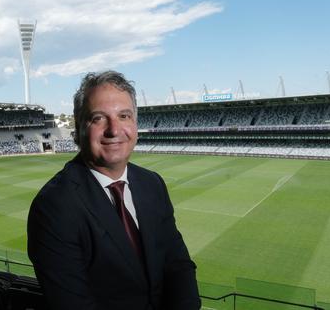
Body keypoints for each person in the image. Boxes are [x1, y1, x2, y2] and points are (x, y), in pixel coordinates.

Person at [27, 70, 200, 310]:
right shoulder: (54, 206)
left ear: (135, 124)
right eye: (98, 118)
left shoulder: (153, 184)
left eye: (124, 116)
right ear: (78, 128)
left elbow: (178, 265)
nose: (114, 129)